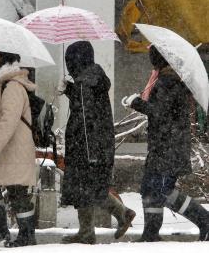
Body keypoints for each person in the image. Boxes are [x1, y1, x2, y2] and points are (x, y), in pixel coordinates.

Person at [122, 45, 209, 242]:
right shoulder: (166, 80)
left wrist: (136, 103)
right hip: (164, 145)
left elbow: (158, 112)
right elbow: (161, 111)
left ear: (159, 60)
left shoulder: (167, 82)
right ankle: (151, 233)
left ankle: (205, 220)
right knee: (149, 188)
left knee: (162, 190)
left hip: (168, 147)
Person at [60, 41, 135, 244]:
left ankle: (88, 231)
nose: (68, 65)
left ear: (76, 61)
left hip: (85, 146)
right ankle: (120, 215)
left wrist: (89, 152)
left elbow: (84, 119)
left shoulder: (85, 83)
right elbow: (90, 110)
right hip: (99, 143)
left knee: (83, 186)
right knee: (91, 186)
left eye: (69, 60)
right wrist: (71, 90)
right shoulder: (93, 79)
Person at [0, 50, 37, 247]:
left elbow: (9, 120)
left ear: (5, 62)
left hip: (14, 149)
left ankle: (27, 236)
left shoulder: (12, 86)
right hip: (2, 150)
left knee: (17, 191)